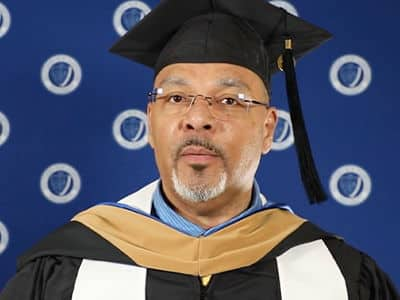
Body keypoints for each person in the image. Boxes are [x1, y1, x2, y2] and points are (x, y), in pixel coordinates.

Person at [1, 0, 398, 299]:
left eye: (229, 100)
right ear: (151, 122)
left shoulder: (340, 276)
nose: (198, 118)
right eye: (176, 98)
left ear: (268, 129)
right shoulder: (63, 271)